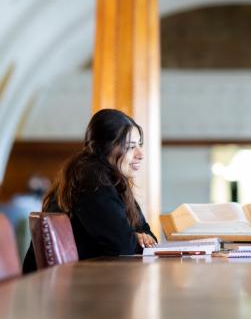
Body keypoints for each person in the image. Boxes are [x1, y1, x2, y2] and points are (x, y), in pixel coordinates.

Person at [23, 109, 157, 273]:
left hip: (83, 281)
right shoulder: (90, 179)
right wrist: (136, 237)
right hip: (61, 290)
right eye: (130, 147)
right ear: (104, 148)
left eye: (139, 145)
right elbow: (123, 245)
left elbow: (148, 234)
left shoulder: (112, 179)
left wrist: (138, 236)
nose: (140, 154)